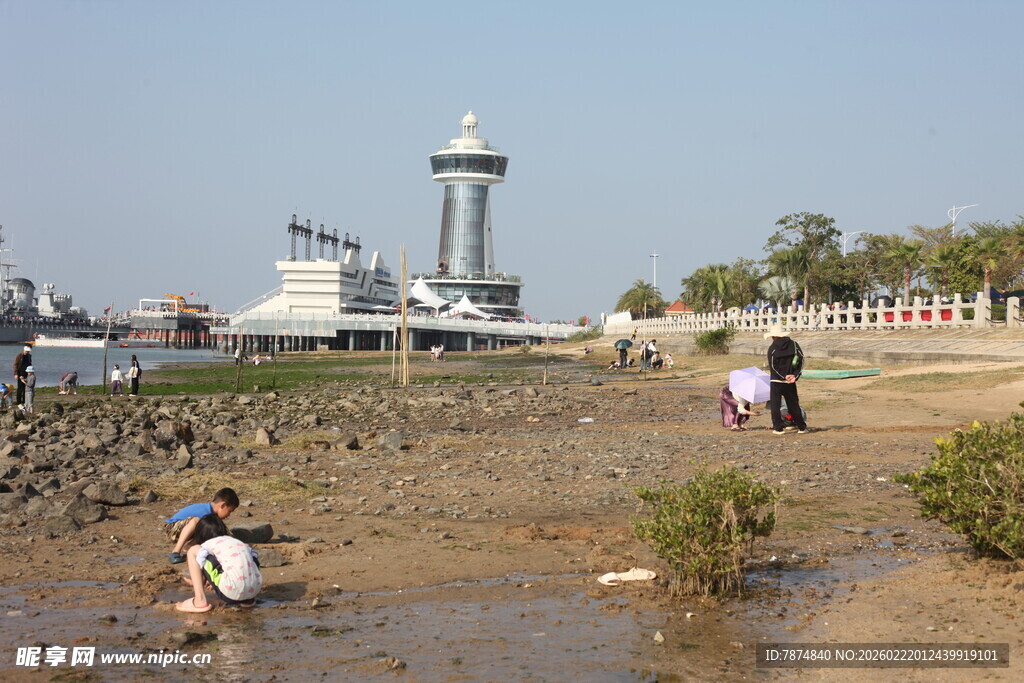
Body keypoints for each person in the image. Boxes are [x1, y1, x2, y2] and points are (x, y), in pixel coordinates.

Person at [175, 513, 262, 613]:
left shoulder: (207, 545)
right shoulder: (237, 542)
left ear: (200, 534)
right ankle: (247, 601)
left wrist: (200, 580)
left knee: (193, 551)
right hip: (254, 591)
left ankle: (200, 600)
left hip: (230, 594)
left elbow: (206, 562)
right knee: (246, 552)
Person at [164, 487, 240, 564]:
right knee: (197, 522)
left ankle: (189, 547)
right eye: (230, 511)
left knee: (209, 529)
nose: (229, 515)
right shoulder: (205, 512)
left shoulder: (213, 514)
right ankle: (176, 551)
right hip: (173, 527)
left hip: (185, 529)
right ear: (223, 505)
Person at [765, 324, 807, 435]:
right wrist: (794, 375)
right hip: (791, 380)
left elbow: (773, 366)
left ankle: (778, 428)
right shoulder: (794, 345)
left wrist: (783, 376)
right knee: (793, 404)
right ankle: (801, 427)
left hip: (777, 380)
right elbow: (801, 361)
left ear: (773, 336)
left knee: (775, 404)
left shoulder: (773, 348)